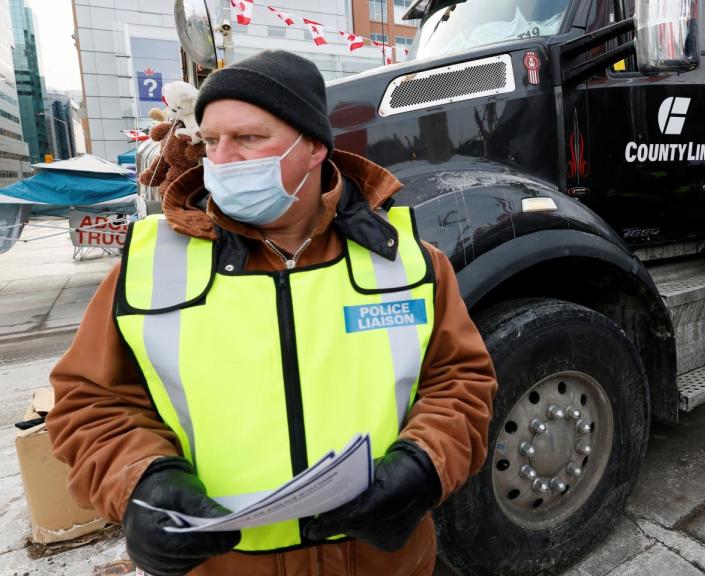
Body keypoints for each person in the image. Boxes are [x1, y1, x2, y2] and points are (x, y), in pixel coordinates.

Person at [47, 50, 497, 575]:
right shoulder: (151, 266)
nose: (223, 158)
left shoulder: (405, 259)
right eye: (212, 141)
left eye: (249, 139)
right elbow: (89, 404)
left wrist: (424, 464)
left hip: (383, 562)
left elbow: (461, 379)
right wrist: (140, 481)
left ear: (313, 146)